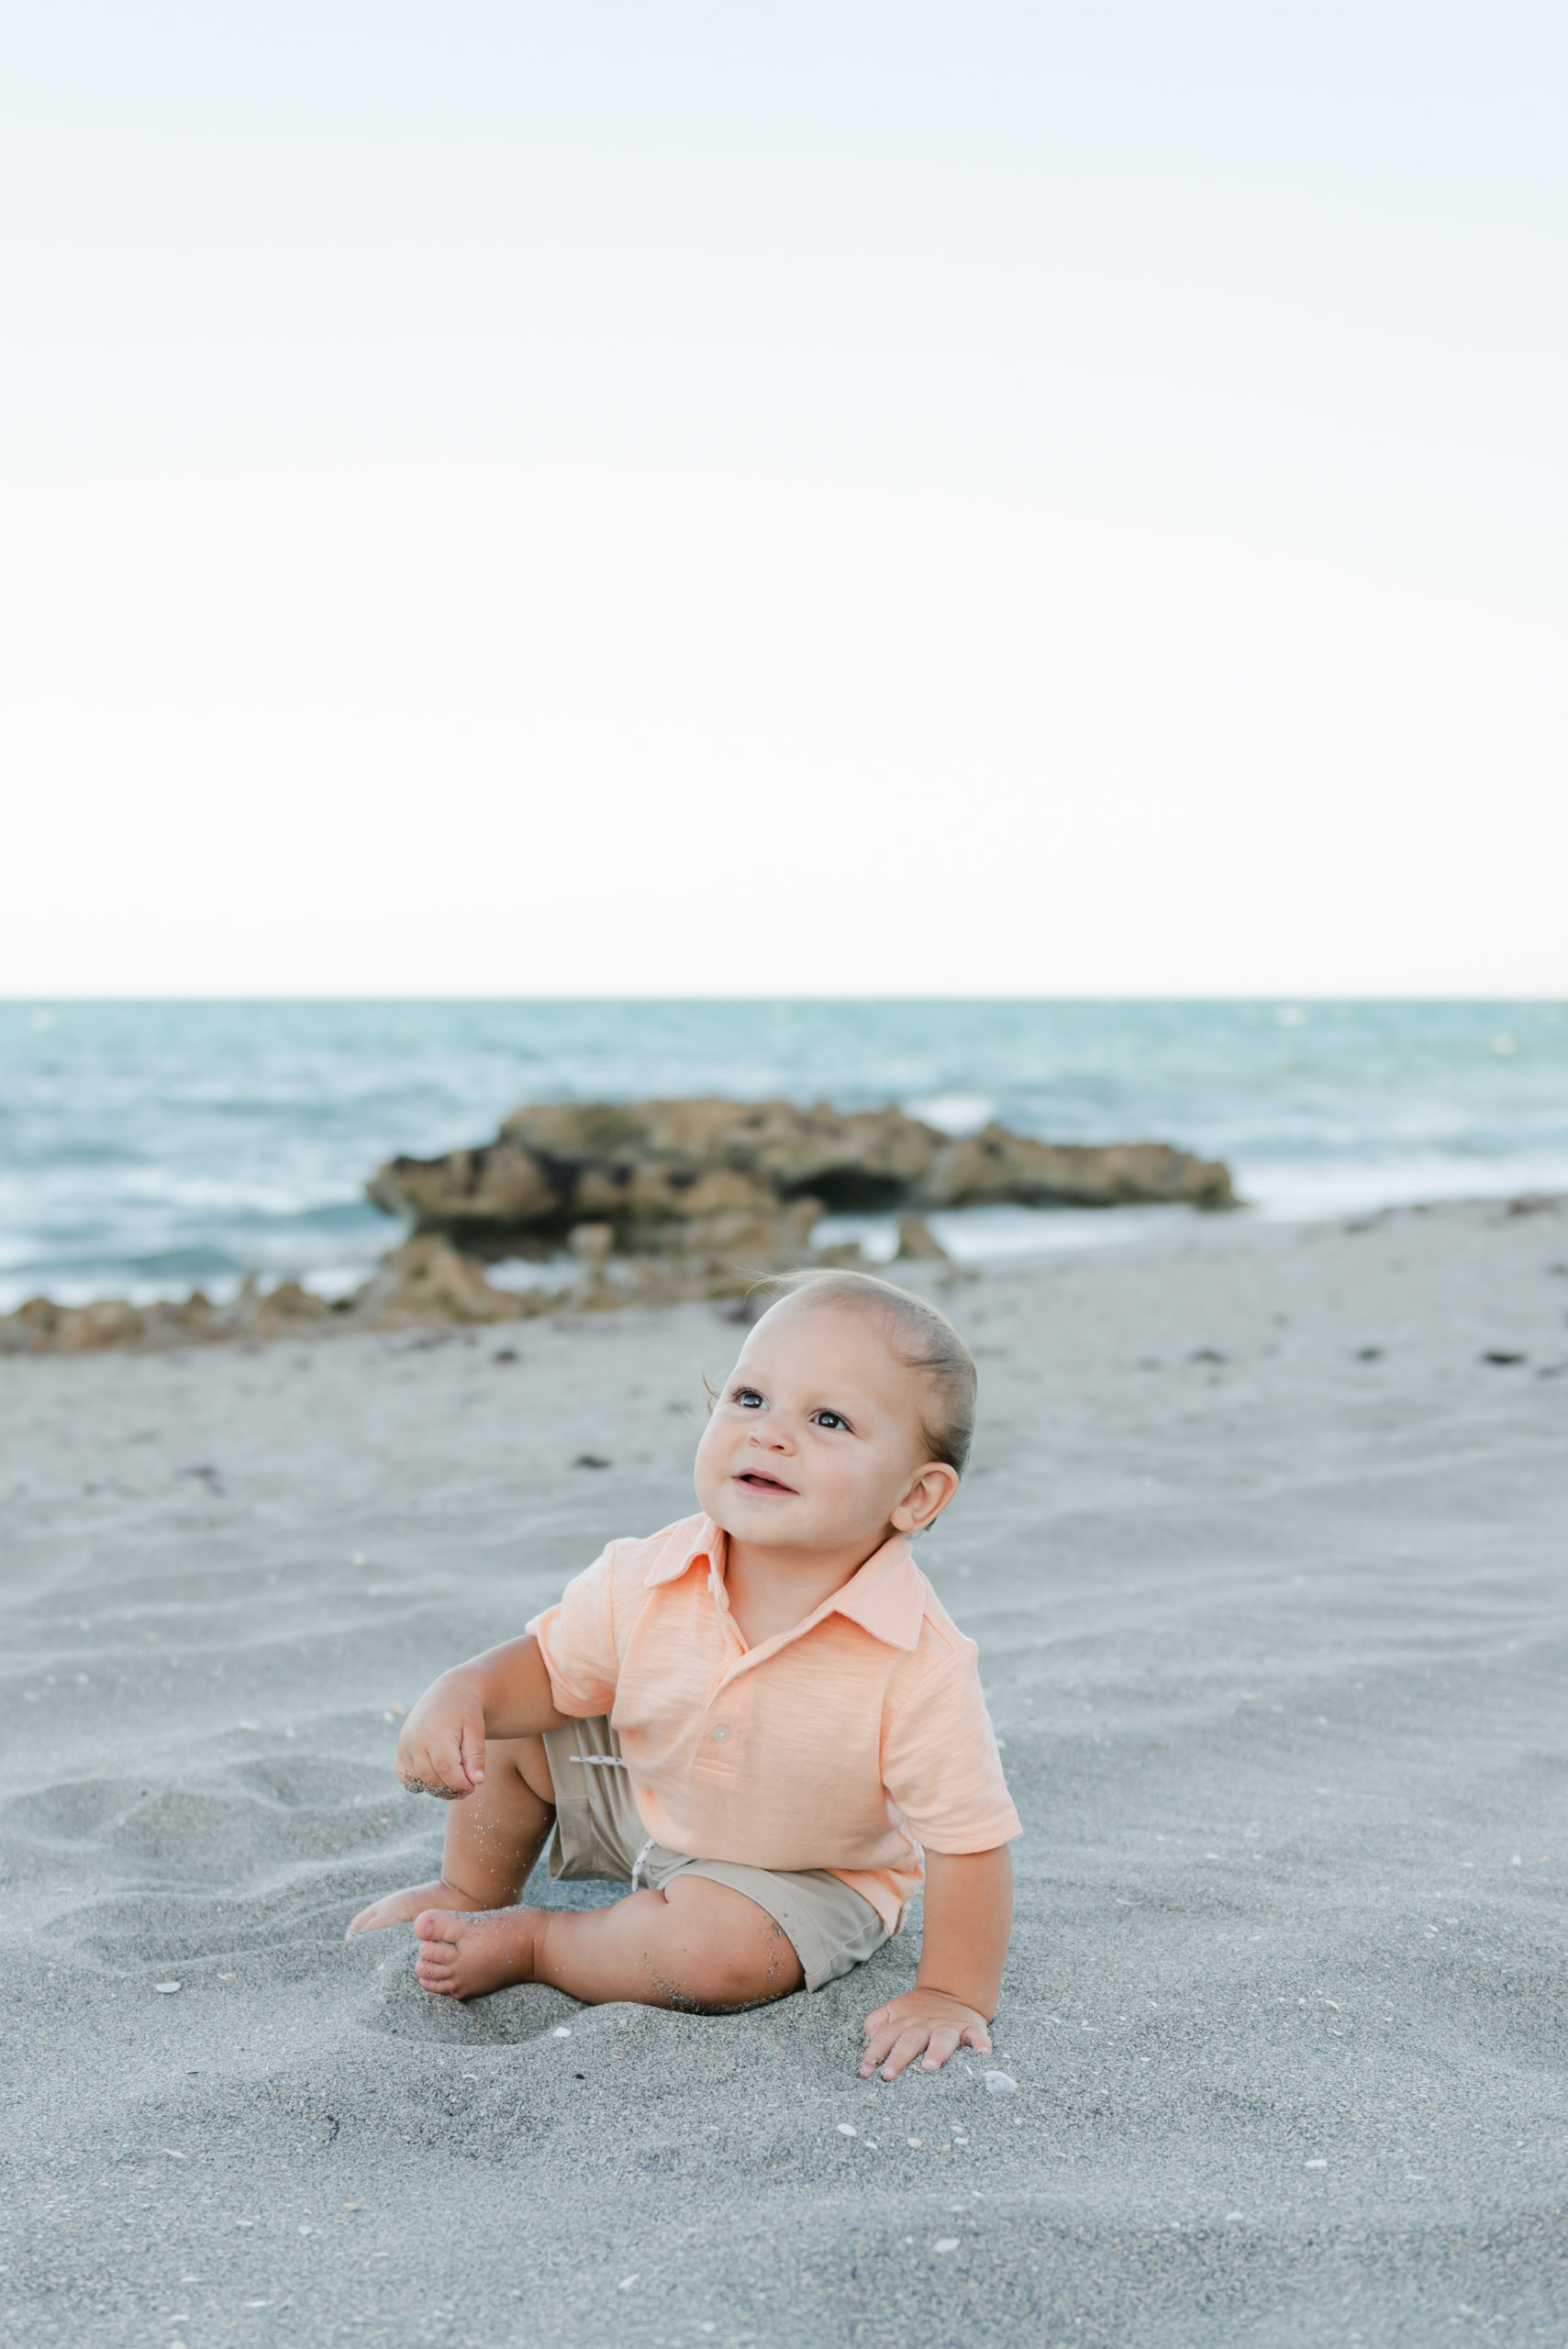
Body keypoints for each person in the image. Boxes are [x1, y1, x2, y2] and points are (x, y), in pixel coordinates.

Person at [346, 1268, 1020, 2079]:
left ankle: (541, 1942)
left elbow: (968, 1844)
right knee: (514, 1731)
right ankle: (470, 1890)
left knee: (713, 1957)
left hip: (796, 1875)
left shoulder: (916, 1660)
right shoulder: (649, 1571)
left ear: (915, 1496)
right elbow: (553, 1678)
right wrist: (466, 1693)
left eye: (828, 1419)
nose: (769, 1435)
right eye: (748, 1398)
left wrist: (951, 1992)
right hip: (651, 1800)